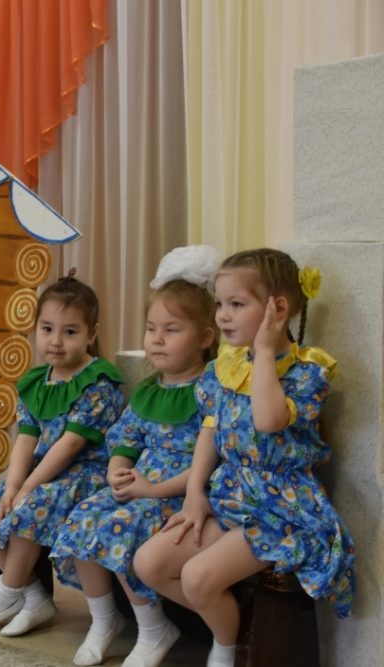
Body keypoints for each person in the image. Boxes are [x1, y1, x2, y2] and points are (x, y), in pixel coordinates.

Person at [133, 248, 356, 667]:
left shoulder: (307, 372)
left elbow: (268, 420)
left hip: (280, 511)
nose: (222, 316)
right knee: (148, 563)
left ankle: (224, 648)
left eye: (236, 304)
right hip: (230, 497)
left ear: (278, 309)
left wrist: (266, 351)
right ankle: (228, 626)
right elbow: (210, 431)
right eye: (220, 304)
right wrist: (195, 493)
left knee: (197, 578)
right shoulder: (227, 367)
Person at [49, 246, 220, 667]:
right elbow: (124, 439)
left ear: (205, 337)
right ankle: (103, 619)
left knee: (123, 527)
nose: (157, 339)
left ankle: (153, 627)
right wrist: (117, 471)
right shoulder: (147, 389)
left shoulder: (212, 389)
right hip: (140, 486)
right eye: (151, 329)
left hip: (181, 494)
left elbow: (214, 461)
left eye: (171, 330)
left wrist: (154, 489)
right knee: (82, 516)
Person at [0, 270, 125, 637]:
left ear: (91, 334)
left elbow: (71, 444)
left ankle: (6, 593)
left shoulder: (98, 382)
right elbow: (26, 438)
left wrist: (28, 487)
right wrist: (13, 485)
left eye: (70, 332)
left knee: (30, 505)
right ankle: (33, 598)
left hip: (85, 473)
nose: (56, 341)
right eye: (47, 329)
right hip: (43, 473)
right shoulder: (36, 382)